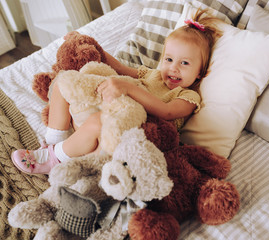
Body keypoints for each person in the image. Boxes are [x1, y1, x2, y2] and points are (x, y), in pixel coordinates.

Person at [11, 9, 223, 175]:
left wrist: (128, 87)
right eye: (168, 59)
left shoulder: (188, 96)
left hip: (125, 134)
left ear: (199, 73)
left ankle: (54, 159)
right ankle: (54, 140)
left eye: (184, 63)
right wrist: (90, 43)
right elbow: (120, 68)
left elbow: (166, 112)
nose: (173, 68)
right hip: (107, 113)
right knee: (63, 81)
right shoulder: (153, 75)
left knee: (97, 121)